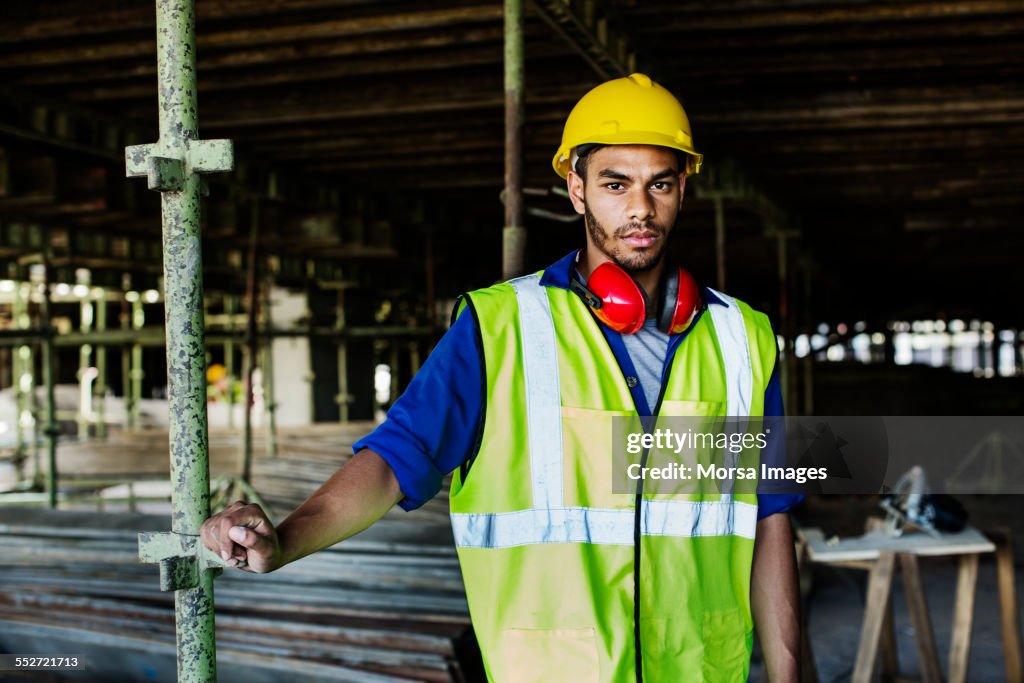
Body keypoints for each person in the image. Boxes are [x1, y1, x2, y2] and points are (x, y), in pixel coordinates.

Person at [201, 73, 801, 682]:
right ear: (577, 189)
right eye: (615, 185)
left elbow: (770, 510)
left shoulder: (740, 339)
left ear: (682, 191)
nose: (640, 208)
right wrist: (285, 538)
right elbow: (395, 458)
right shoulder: (501, 328)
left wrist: (789, 672)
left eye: (660, 185)